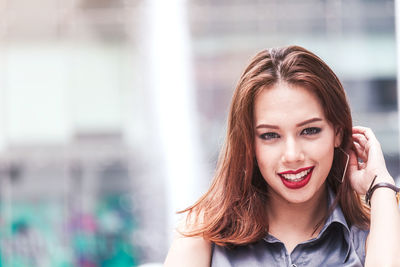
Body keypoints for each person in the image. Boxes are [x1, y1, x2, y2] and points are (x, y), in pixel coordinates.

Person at [164, 46, 400, 266]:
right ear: (248, 143)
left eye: (309, 131)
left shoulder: (377, 235)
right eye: (269, 135)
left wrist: (381, 187)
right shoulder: (205, 234)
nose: (292, 155)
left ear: (338, 133)